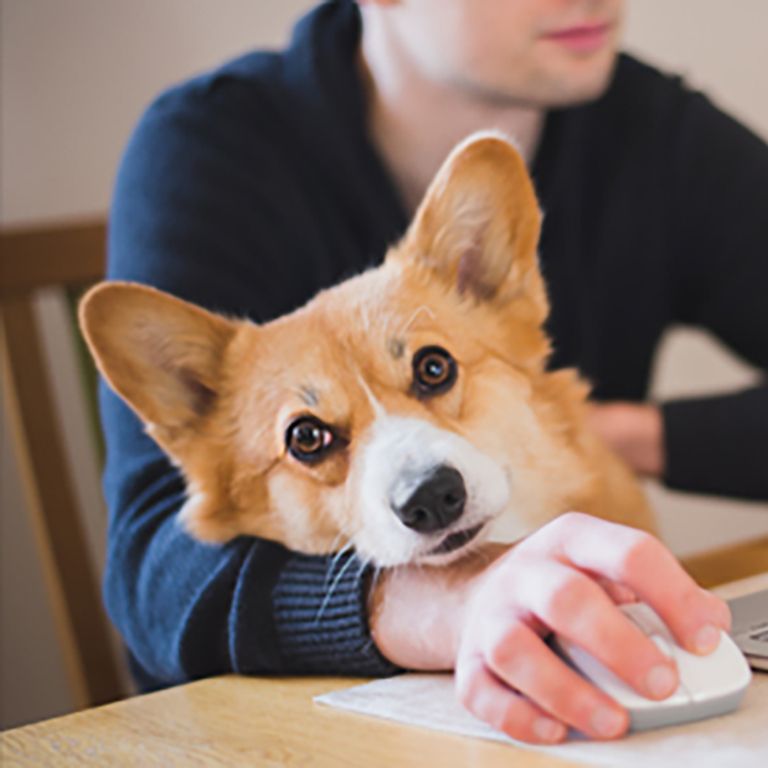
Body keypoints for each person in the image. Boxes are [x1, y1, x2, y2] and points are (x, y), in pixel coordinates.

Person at [103, 0, 767, 744]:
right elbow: (150, 566)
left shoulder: (654, 131)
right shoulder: (211, 151)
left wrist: (618, 433)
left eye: (430, 369)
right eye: (314, 439)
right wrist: (437, 607)